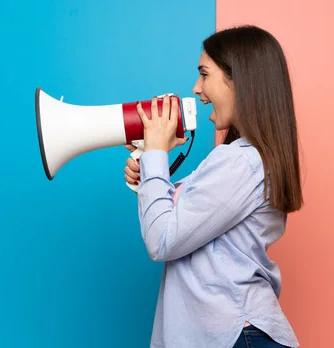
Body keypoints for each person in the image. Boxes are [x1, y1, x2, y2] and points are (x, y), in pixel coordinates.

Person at [123, 25, 304, 348]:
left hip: (235, 333)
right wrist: (152, 172)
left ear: (240, 80)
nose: (196, 89)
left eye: (205, 74)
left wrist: (155, 156)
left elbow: (162, 240)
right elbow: (177, 221)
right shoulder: (242, 163)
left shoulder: (239, 163)